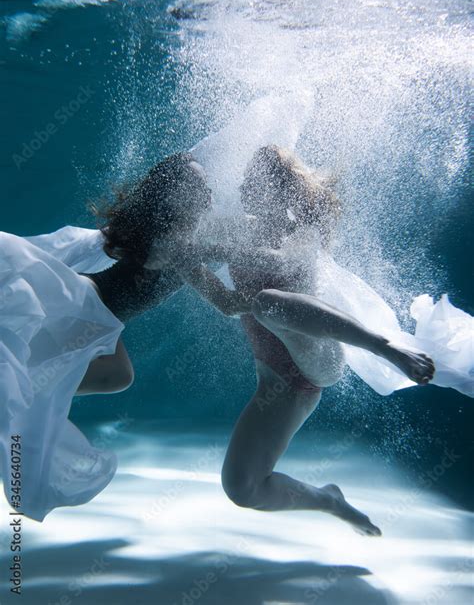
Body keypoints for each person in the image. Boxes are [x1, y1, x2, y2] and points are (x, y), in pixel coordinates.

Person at [152, 144, 472, 536]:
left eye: (252, 178)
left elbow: (278, 263)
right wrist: (182, 260)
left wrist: (199, 248)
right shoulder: (236, 228)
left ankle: (384, 347)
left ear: (279, 188)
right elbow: (226, 303)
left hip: (317, 361)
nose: (240, 185)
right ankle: (328, 500)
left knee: (267, 302)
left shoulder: (301, 235)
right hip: (280, 384)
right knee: (243, 487)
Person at [0, 151, 216, 521]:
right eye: (199, 187)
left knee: (116, 375)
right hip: (85, 310)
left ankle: (24, 392)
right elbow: (206, 270)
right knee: (39, 373)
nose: (209, 194)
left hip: (99, 320)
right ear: (175, 197)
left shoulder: (174, 240)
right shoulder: (169, 243)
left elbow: (224, 296)